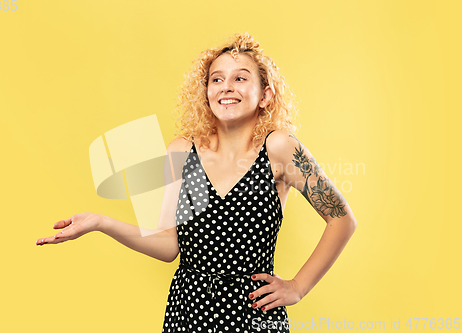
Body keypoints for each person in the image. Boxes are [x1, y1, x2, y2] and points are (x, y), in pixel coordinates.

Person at [36, 32, 357, 332]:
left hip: (253, 316)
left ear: (265, 94)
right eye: (216, 79)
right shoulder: (182, 151)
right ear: (206, 93)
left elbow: (342, 220)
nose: (226, 87)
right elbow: (167, 245)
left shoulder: (279, 148)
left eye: (240, 78)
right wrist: (100, 222)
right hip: (188, 313)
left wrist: (298, 287)